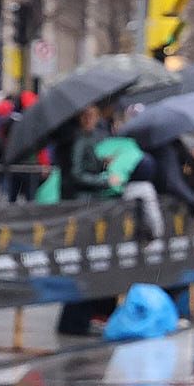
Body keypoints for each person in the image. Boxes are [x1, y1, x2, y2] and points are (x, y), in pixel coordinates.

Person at [53, 105, 123, 336]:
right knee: (84, 265)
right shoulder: (78, 139)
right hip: (82, 208)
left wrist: (102, 163)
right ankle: (75, 320)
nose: (95, 120)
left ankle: (81, 318)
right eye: (92, 116)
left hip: (84, 207)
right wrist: (104, 181)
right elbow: (76, 174)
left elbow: (83, 166)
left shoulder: (84, 139)